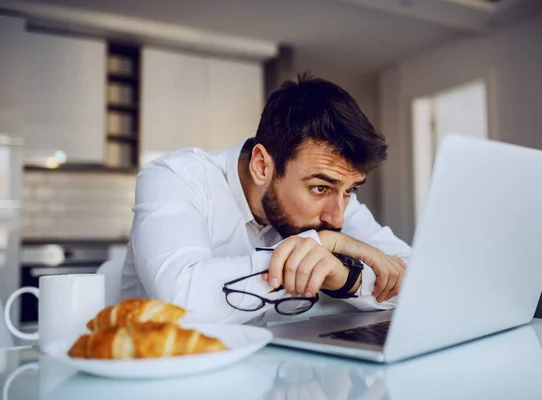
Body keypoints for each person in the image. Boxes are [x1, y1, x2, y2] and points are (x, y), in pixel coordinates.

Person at [119, 73, 411, 325]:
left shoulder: (332, 193)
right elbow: (180, 300)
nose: (337, 217)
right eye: (319, 189)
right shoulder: (174, 176)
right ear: (261, 165)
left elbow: (417, 279)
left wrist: (345, 277)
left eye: (351, 190)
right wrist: (321, 246)